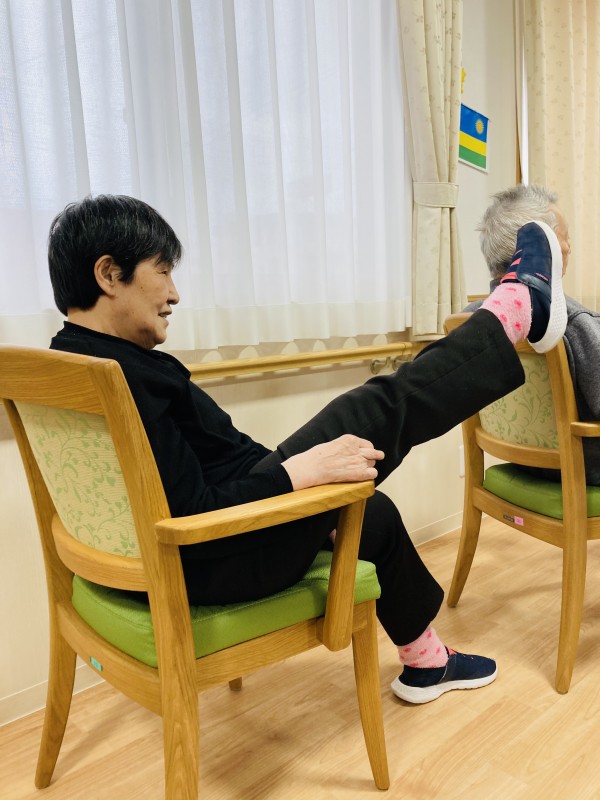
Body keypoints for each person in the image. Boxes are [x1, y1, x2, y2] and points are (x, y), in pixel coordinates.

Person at [47, 194, 566, 704]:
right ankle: (515, 308)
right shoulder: (120, 376)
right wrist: (295, 476)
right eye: (162, 272)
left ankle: (427, 663)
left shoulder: (69, 364)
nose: (174, 294)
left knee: (370, 510)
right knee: (374, 408)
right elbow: (189, 513)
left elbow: (204, 467)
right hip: (210, 556)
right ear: (109, 274)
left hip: (195, 547)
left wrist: (300, 471)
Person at [469, 183, 600, 484]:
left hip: (517, 461)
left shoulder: (472, 319)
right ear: (547, 246)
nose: (569, 248)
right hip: (584, 471)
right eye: (564, 238)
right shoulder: (577, 322)